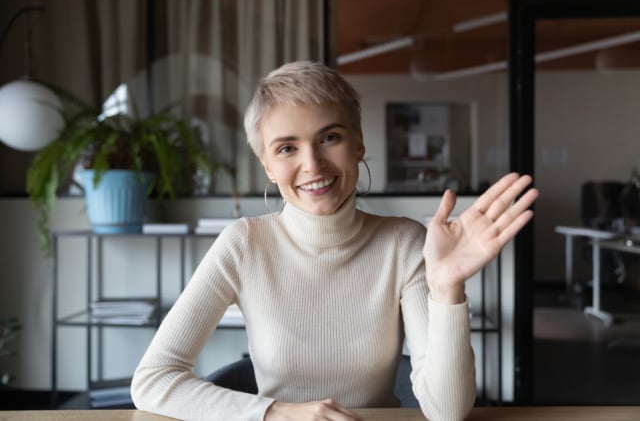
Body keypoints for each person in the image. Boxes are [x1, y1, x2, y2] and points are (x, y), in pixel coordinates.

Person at [131, 61, 539, 421]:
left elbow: (448, 413)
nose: (312, 165)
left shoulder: (405, 242)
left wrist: (447, 288)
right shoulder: (242, 244)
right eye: (287, 147)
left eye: (330, 138)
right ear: (267, 165)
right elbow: (152, 380)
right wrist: (273, 413)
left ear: (359, 143)